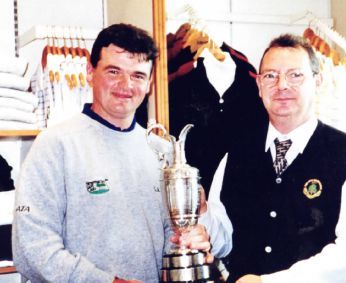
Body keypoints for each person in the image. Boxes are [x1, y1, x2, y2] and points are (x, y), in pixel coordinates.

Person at [12, 23, 211, 283]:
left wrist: (192, 242)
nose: (125, 84)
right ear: (90, 72)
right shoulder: (54, 146)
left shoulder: (162, 153)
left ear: (150, 83)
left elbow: (171, 241)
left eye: (138, 75)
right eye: (113, 71)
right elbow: (32, 250)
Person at [199, 34, 346, 283]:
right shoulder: (234, 156)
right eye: (271, 76)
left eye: (295, 75)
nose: (282, 85)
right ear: (259, 86)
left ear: (317, 82)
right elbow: (224, 243)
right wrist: (202, 214)